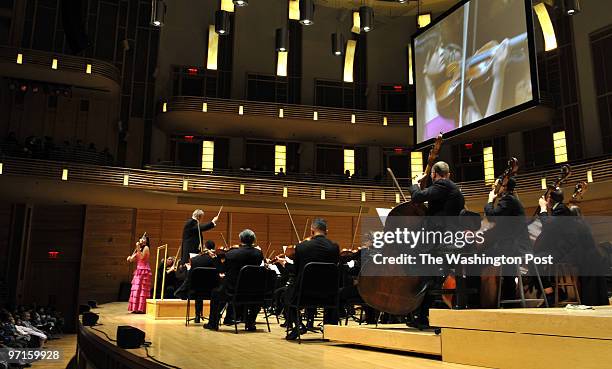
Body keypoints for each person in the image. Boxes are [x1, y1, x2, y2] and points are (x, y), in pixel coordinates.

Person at [408, 161, 465, 328]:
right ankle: (423, 316)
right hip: (447, 240)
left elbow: (417, 197)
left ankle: (423, 315)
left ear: (434, 174)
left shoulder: (443, 184)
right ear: (449, 173)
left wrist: (415, 184)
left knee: (419, 269)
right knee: (428, 275)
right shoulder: (451, 187)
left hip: (440, 241)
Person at [284, 218, 340, 340]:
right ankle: (330, 329)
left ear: (312, 230)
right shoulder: (334, 247)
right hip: (328, 294)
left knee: (286, 294)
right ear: (326, 231)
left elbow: (297, 271)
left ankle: (298, 325)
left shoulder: (301, 247)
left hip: (304, 294)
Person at [481, 176, 531, 307]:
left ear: (504, 187)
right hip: (514, 246)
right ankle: (508, 300)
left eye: (496, 185)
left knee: (479, 257)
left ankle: (484, 299)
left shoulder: (508, 200)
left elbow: (492, 217)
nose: (494, 187)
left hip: (514, 248)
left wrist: (490, 200)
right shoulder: (512, 200)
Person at [204, 230, 263, 331]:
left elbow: (222, 269)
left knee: (215, 293)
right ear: (253, 240)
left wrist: (214, 258)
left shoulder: (232, 254)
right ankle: (250, 322)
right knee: (253, 298)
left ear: (240, 239)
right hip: (253, 291)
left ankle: (213, 323)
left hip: (234, 291)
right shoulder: (258, 254)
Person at [175, 240, 217, 323]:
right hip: (211, 291)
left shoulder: (195, 259)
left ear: (204, 247)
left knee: (198, 286)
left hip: (196, 292)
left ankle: (197, 316)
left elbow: (190, 276)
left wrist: (188, 269)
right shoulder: (216, 259)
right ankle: (213, 318)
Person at [127, 235, 152, 313]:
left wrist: (137, 247)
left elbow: (141, 257)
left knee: (142, 290)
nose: (142, 240)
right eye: (142, 238)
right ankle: (135, 308)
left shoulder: (146, 248)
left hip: (144, 270)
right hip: (138, 271)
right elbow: (132, 259)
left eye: (144, 239)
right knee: (136, 289)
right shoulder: (139, 248)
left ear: (146, 241)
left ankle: (141, 308)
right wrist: (129, 258)